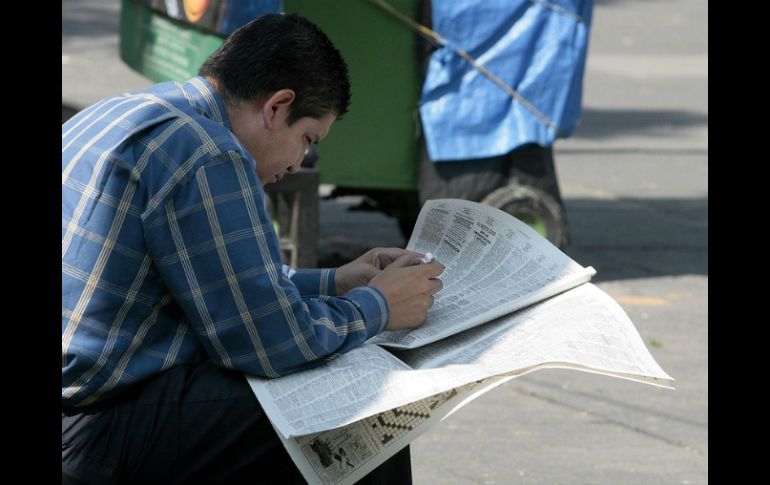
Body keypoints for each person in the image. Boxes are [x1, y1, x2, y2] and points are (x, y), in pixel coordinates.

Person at [62, 13, 443, 484]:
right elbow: (271, 343)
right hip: (92, 425)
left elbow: (222, 281)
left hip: (85, 403)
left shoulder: (126, 111)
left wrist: (339, 280)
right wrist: (378, 307)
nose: (297, 163)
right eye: (307, 140)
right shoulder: (208, 151)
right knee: (364, 415)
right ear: (278, 106)